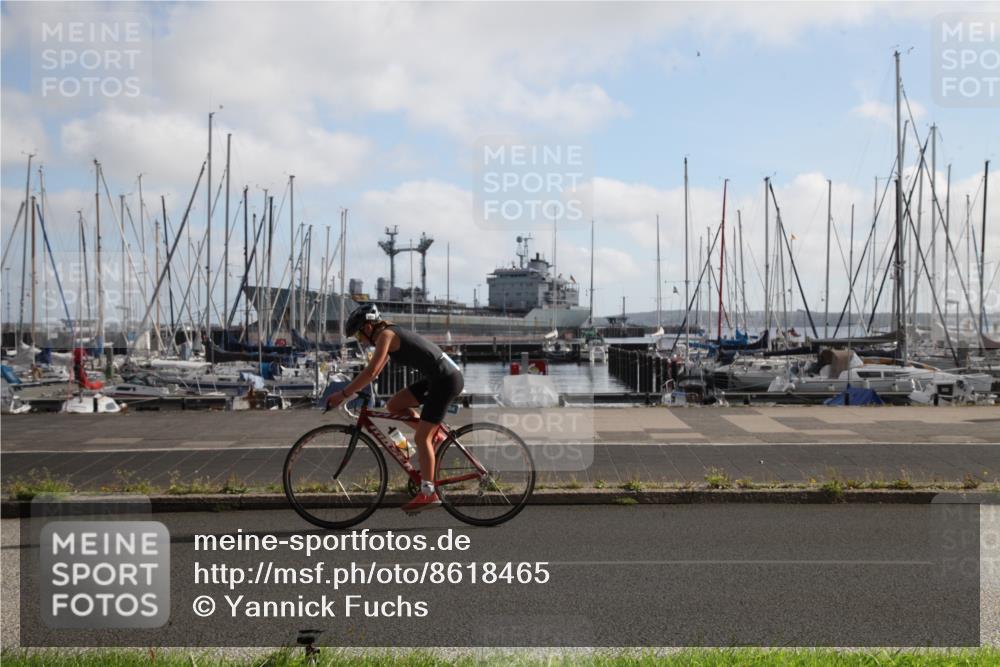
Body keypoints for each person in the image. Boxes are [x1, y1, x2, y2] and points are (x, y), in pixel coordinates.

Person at [325, 303, 464, 514]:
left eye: (359, 335)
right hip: (438, 377)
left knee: (421, 439)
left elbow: (371, 372)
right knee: (394, 405)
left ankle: (429, 492)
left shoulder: (386, 336)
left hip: (445, 380)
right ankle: (432, 439)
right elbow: (377, 371)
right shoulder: (387, 335)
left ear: (369, 327)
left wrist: (343, 394)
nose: (360, 341)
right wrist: (355, 391)